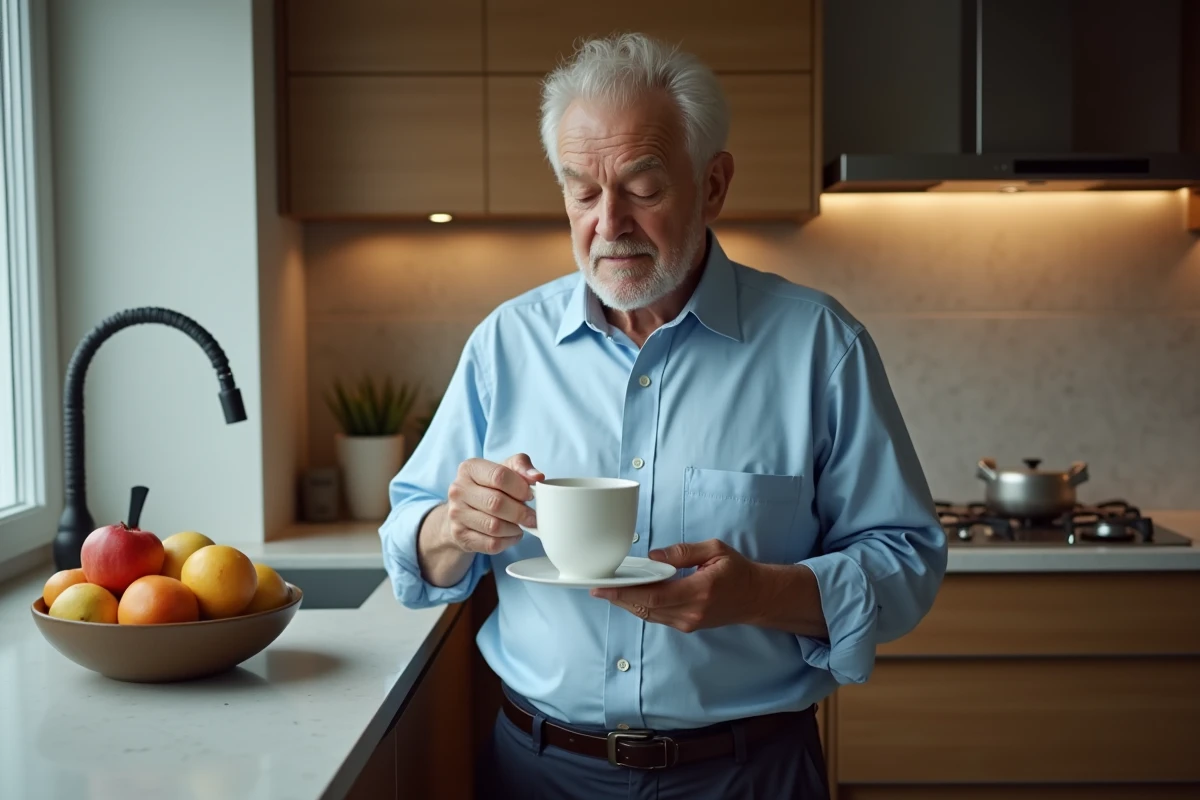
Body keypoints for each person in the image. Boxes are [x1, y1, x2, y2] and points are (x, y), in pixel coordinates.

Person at [379, 32, 948, 800]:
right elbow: (410, 551)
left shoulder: (820, 346)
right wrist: (453, 526)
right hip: (537, 774)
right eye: (583, 190)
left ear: (712, 185)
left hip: (751, 776)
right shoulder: (505, 344)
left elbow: (907, 559)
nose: (608, 223)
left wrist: (762, 595)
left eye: (643, 188)